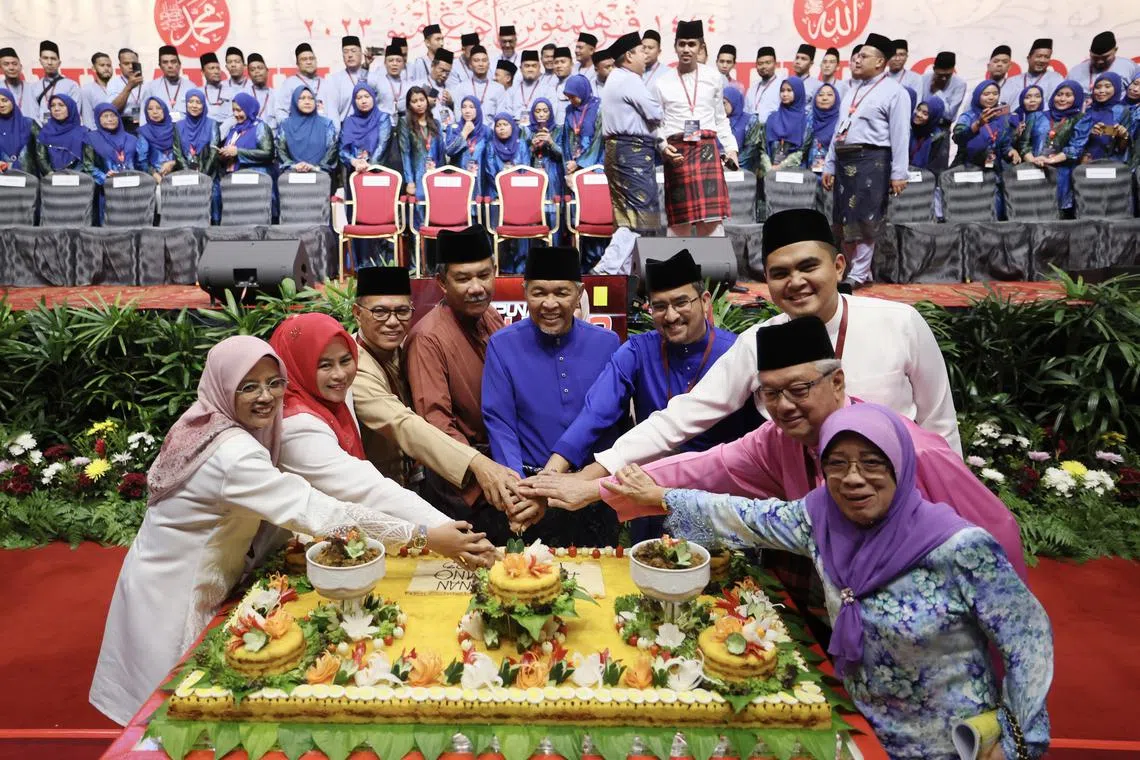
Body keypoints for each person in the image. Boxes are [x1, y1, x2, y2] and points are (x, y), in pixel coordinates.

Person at [597, 403, 1053, 760]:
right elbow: (743, 515)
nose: (853, 479)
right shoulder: (819, 521)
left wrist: (1014, 741)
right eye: (837, 463)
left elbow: (1029, 641)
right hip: (858, 732)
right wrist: (658, 496)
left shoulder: (960, 547)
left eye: (872, 463)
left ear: (901, 465)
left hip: (951, 744)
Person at [87, 336, 455, 726]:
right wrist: (424, 536)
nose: (266, 396)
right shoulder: (233, 455)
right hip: (174, 592)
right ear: (223, 386)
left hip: (168, 572)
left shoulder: (207, 418)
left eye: (274, 383)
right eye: (248, 387)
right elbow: (317, 510)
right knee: (171, 716)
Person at [568, 208, 961, 481]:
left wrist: (949, 504)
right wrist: (594, 473)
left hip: (900, 498)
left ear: (838, 267)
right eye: (780, 273)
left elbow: (940, 426)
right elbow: (683, 415)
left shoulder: (899, 322)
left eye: (809, 266)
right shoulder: (761, 340)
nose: (795, 282)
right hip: (799, 506)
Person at [543, 249, 762, 538]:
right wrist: (552, 474)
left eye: (681, 302)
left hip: (717, 500)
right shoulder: (638, 351)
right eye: (660, 307)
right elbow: (595, 412)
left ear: (705, 301)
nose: (671, 316)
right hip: (647, 498)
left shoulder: (738, 353)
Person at [267, 312, 496, 568]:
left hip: (341, 543)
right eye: (324, 365)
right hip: (305, 553)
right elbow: (367, 488)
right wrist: (443, 532)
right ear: (298, 366)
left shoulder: (333, 398)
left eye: (345, 360)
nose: (340, 374)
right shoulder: (297, 426)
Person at [483, 246, 622, 546]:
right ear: (524, 293)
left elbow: (604, 417)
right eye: (538, 293)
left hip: (589, 491)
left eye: (561, 292)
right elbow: (500, 422)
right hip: (528, 491)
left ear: (579, 293)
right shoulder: (502, 345)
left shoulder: (608, 344)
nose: (549, 303)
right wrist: (520, 492)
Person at [350, 266, 520, 508]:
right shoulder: (354, 366)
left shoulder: (403, 350)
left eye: (401, 311)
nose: (392, 322)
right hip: (374, 495)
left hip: (414, 488)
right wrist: (478, 463)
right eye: (379, 312)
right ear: (357, 313)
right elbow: (403, 424)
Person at [406, 225, 513, 526]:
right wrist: (488, 482)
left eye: (483, 275)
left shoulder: (488, 316)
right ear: (442, 282)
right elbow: (436, 424)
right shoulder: (427, 338)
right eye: (463, 278)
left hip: (502, 469)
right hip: (462, 488)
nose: (476, 287)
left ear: (495, 271)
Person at [821, 33, 910, 288]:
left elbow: (901, 133)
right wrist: (829, 164)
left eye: (864, 56)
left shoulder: (895, 92)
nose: (857, 60)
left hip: (872, 160)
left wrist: (899, 173)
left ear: (880, 62)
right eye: (857, 55)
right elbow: (839, 130)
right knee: (844, 220)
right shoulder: (851, 90)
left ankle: (858, 275)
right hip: (844, 159)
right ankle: (857, 271)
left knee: (866, 219)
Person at [652, 20, 736, 238]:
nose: (686, 49)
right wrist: (662, 146)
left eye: (691, 44)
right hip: (677, 152)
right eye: (682, 44)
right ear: (675, 47)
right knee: (679, 222)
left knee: (711, 221)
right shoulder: (662, 82)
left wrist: (731, 148)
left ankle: (714, 271)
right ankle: (677, 271)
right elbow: (655, 124)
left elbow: (720, 118)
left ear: (701, 47)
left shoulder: (713, 77)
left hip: (707, 151)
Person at [601, 32, 664, 235]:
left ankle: (617, 266)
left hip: (619, 151)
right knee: (641, 217)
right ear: (629, 56)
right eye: (641, 51)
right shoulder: (629, 79)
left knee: (627, 217)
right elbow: (656, 112)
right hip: (632, 152)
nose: (645, 56)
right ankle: (610, 267)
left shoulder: (615, 77)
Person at [1022, 81, 1085, 215]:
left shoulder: (1081, 119)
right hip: (1034, 170)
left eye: (1068, 95)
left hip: (1063, 175)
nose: (1062, 99)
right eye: (1059, 94)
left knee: (1059, 216)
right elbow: (1024, 144)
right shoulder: (1036, 116)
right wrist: (1033, 161)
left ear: (1077, 98)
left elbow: (1076, 148)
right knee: (1031, 212)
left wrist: (1050, 161)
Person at [483, 111, 531, 272]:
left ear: (512, 126)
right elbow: (490, 171)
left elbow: (524, 169)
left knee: (521, 234)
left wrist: (512, 188)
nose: (501, 129)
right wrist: (503, 185)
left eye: (505, 125)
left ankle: (521, 268)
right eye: (498, 125)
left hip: (519, 197)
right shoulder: (491, 146)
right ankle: (501, 268)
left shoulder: (522, 144)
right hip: (496, 195)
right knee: (497, 232)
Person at [398, 86, 446, 224]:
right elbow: (405, 153)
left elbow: (440, 153)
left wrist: (442, 176)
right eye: (414, 101)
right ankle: (418, 246)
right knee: (418, 217)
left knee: (436, 217)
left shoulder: (435, 123)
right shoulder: (405, 123)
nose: (419, 104)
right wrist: (410, 181)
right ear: (409, 104)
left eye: (421, 100)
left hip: (435, 176)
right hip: (417, 176)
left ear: (427, 101)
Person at [952, 81, 1021, 171]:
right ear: (977, 96)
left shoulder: (1002, 118)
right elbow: (958, 138)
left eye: (995, 94)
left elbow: (1004, 144)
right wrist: (978, 124)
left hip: (994, 170)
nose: (991, 97)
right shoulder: (967, 117)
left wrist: (1010, 151)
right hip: (969, 168)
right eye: (986, 94)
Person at [1070, 72, 1131, 163]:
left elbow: (1123, 149)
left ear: (1116, 88)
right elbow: (1075, 142)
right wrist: (1089, 133)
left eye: (1107, 86)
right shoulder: (1087, 110)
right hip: (1085, 163)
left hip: (1112, 166)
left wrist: (1124, 136)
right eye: (1098, 87)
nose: (1101, 91)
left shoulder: (1123, 111)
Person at [276, 85, 337, 175]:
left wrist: (316, 167)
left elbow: (332, 150)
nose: (307, 102)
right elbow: (281, 151)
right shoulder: (285, 125)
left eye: (311, 98)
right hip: (293, 175)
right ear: (295, 101)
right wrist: (294, 166)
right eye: (302, 98)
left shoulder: (327, 124)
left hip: (321, 175)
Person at [1069, 30, 1138, 109]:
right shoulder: (1075, 72)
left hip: (1120, 116)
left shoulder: (1129, 67)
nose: (1100, 61)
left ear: (1115, 50)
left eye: (1105, 57)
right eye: (1095, 57)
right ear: (1090, 53)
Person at [525, 97, 564, 235]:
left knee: (553, 216)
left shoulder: (559, 130)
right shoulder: (527, 131)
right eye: (537, 111)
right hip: (533, 179)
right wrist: (532, 148)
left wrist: (551, 143)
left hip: (553, 176)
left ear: (551, 112)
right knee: (533, 216)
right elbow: (521, 159)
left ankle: (555, 251)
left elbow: (563, 155)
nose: (541, 114)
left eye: (545, 111)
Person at [339, 82, 392, 175]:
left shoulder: (383, 118)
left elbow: (382, 146)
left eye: (367, 97)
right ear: (354, 101)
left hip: (377, 171)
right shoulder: (349, 122)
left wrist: (368, 166)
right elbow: (343, 150)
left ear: (373, 98)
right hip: (354, 171)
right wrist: (354, 162)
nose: (363, 101)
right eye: (359, 98)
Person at [217, 92, 274, 175]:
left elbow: (268, 154)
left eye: (239, 110)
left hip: (256, 179)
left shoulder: (260, 127)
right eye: (234, 110)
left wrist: (238, 152)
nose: (236, 114)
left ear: (248, 109)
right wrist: (224, 154)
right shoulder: (234, 129)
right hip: (232, 179)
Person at [275, 43, 331, 126]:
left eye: (311, 58)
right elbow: (281, 111)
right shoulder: (289, 84)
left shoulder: (325, 84)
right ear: (297, 64)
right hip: (298, 134)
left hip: (323, 133)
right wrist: (291, 131)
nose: (309, 62)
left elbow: (333, 112)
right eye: (304, 59)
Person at [35, 94, 93, 174]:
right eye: (52, 106)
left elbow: (89, 165)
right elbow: (42, 158)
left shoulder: (84, 133)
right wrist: (52, 175)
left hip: (79, 181)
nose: (56, 109)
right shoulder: (45, 132)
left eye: (61, 105)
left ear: (70, 108)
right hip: (51, 181)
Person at [445, 95, 489, 195]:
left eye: (471, 107)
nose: (467, 110)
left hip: (480, 180)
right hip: (458, 178)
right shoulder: (453, 128)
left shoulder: (486, 131)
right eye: (464, 107)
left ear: (477, 109)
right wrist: (464, 133)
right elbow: (449, 151)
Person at [32, 40, 84, 126]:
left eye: (53, 59)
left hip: (64, 134)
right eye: (45, 58)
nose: (49, 62)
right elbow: (33, 115)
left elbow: (74, 114)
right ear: (40, 61)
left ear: (59, 62)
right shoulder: (34, 87)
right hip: (42, 134)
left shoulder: (71, 85)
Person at [87, 103, 139, 187]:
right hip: (105, 189)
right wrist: (105, 177)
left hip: (133, 186)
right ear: (98, 119)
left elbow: (140, 163)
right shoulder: (91, 138)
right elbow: (88, 166)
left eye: (113, 115)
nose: (110, 119)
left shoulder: (132, 139)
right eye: (105, 116)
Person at [452, 45, 506, 123]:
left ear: (489, 64)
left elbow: (501, 116)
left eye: (484, 60)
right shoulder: (461, 88)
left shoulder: (498, 89)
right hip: (469, 132)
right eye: (476, 60)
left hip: (491, 133)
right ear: (470, 65)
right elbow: (458, 115)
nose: (481, 64)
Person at [140, 45, 193, 122]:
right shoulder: (151, 87)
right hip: (159, 131)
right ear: (160, 66)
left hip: (185, 131)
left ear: (179, 64)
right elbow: (143, 116)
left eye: (173, 62)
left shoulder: (190, 87)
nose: (170, 66)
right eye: (165, 62)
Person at [562, 74, 604, 174]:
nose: (571, 101)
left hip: (595, 162)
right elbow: (566, 141)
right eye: (568, 97)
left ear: (582, 92)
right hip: (573, 162)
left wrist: (580, 163)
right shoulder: (569, 110)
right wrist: (569, 164)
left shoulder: (598, 109)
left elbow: (598, 141)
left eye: (573, 97)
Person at [765, 77, 809, 170]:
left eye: (789, 90)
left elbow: (802, 151)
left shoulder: (806, 119)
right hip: (771, 173)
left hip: (796, 173)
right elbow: (763, 148)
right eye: (782, 90)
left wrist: (780, 167)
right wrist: (769, 167)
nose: (784, 94)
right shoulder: (772, 118)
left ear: (798, 92)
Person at [1002, 39, 1062, 106]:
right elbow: (1002, 104)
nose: (1042, 60)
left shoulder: (1055, 79)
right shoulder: (1012, 81)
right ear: (1028, 58)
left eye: (1046, 57)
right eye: (1039, 56)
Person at [136, 97, 181, 183]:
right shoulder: (144, 132)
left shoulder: (176, 129)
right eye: (150, 109)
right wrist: (154, 175)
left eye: (158, 108)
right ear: (146, 112)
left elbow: (184, 154)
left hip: (178, 176)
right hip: (154, 180)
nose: (155, 112)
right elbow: (141, 160)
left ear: (164, 109)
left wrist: (173, 163)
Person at [326, 36, 369, 124]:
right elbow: (332, 112)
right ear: (342, 56)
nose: (349, 55)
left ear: (361, 54)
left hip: (369, 128)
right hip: (345, 129)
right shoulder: (334, 80)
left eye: (353, 51)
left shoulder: (371, 76)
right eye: (345, 52)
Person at [175, 90, 219, 175]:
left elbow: (213, 154)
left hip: (209, 176)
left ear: (203, 105)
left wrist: (203, 176)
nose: (194, 106)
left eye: (198, 102)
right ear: (186, 104)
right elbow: (178, 154)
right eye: (191, 102)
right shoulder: (178, 125)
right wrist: (189, 174)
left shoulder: (212, 124)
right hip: (186, 176)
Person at [509, 50, 555, 123]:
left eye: (534, 66)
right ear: (521, 68)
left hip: (539, 129)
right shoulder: (512, 90)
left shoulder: (548, 90)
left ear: (539, 67)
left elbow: (551, 114)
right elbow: (507, 114)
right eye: (527, 66)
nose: (530, 69)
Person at [921, 51, 966, 124]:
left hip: (942, 126)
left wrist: (938, 93)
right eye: (940, 75)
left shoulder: (960, 84)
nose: (944, 78)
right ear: (934, 68)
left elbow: (949, 115)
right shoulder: (923, 79)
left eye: (948, 75)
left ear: (953, 69)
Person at [0, 87, 38, 174]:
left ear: (12, 101)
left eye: (4, 100)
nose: (1, 105)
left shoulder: (29, 123)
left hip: (28, 179)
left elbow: (41, 153)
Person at [804, 83, 840, 173]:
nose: (824, 98)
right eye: (820, 95)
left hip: (833, 174)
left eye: (829, 95)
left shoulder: (841, 121)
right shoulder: (808, 120)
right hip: (808, 176)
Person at [107, 48, 145, 133]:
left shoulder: (146, 84)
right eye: (126, 63)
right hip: (123, 126)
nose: (131, 66)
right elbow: (113, 109)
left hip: (144, 124)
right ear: (120, 66)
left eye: (133, 63)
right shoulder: (114, 83)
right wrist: (129, 87)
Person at [370, 44, 410, 125]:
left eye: (398, 61)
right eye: (391, 60)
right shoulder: (377, 80)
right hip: (381, 124)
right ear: (385, 63)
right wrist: (366, 65)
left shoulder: (407, 85)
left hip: (401, 126)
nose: (394, 64)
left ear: (403, 64)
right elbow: (361, 82)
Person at [745, 46, 786, 121]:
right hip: (752, 131)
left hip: (773, 130)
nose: (764, 66)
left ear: (775, 64)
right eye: (760, 63)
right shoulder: (751, 90)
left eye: (768, 63)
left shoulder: (783, 86)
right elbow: (745, 113)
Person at [417, 49, 456, 126]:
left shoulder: (451, 87)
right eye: (442, 70)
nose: (444, 75)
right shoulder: (420, 85)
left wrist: (451, 103)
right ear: (432, 66)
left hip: (448, 130)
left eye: (448, 72)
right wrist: (425, 103)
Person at [909, 97, 949, 171]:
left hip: (925, 178)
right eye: (918, 109)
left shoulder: (938, 136)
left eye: (925, 113)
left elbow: (937, 165)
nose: (918, 114)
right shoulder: (909, 128)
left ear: (933, 117)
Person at [243, 53, 277, 130]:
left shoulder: (276, 94)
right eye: (252, 69)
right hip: (250, 137)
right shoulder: (244, 94)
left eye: (260, 68)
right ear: (249, 74)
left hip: (273, 138)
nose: (257, 71)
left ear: (267, 70)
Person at [81, 52, 115, 128]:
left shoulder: (118, 87)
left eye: (109, 65)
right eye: (102, 65)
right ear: (93, 68)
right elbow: (88, 120)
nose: (106, 68)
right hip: (98, 135)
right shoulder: (87, 89)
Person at [198, 52, 230, 125]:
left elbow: (233, 116)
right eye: (212, 68)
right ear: (203, 72)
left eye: (218, 68)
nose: (216, 71)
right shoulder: (198, 93)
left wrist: (220, 132)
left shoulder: (230, 92)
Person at [550, 47, 576, 123]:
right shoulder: (550, 85)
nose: (559, 65)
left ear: (571, 64)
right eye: (556, 62)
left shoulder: (576, 84)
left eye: (563, 62)